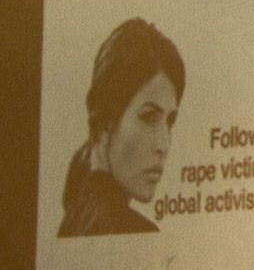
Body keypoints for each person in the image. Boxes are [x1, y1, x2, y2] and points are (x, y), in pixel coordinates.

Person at [58, 18, 185, 237]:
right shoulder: (135, 231)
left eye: (170, 122)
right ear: (107, 121)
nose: (164, 145)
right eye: (149, 117)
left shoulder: (74, 218)